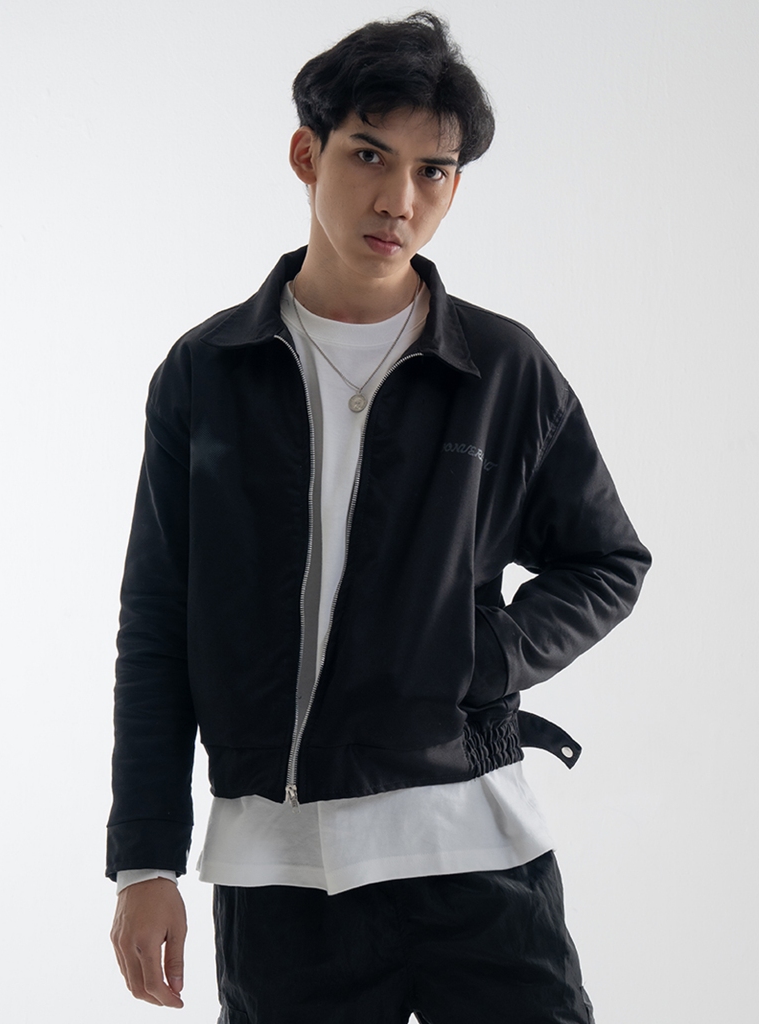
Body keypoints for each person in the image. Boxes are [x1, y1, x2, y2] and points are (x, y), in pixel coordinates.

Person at [107, 11, 650, 1023]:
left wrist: (485, 656)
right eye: (368, 155)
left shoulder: (501, 369)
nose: (399, 199)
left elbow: (606, 560)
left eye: (432, 171)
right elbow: (157, 624)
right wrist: (144, 859)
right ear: (305, 154)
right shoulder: (207, 373)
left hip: (474, 851)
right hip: (279, 873)